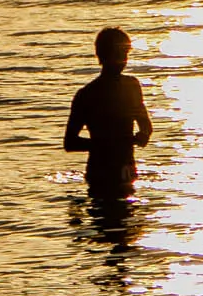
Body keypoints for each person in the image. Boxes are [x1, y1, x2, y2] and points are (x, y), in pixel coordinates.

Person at [64, 27, 154, 197]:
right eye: (119, 54)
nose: (124, 59)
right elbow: (70, 142)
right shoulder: (87, 94)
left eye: (126, 54)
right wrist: (108, 144)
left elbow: (146, 126)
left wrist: (143, 135)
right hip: (100, 173)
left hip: (126, 168)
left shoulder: (132, 86)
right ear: (103, 56)